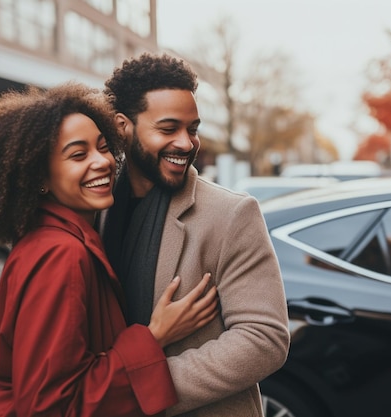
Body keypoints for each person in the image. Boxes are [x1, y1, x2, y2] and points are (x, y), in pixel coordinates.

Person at [0, 82, 219, 417]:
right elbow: (50, 406)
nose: (102, 162)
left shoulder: (53, 236)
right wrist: (154, 337)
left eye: (103, 147)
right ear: (40, 178)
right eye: (78, 154)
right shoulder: (61, 253)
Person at [101, 53, 291, 416]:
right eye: (168, 128)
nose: (186, 144)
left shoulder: (231, 213)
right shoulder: (94, 211)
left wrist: (143, 387)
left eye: (192, 129)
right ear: (123, 126)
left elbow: (264, 338)